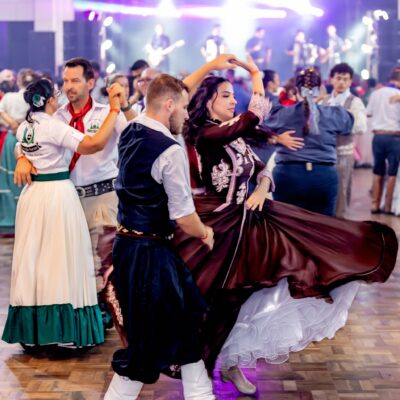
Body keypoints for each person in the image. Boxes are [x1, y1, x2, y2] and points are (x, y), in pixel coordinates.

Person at [173, 60, 397, 394]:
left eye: (233, 95)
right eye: (225, 96)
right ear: (207, 103)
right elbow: (250, 119)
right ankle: (201, 368)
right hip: (217, 225)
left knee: (249, 295)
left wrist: (261, 188)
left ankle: (231, 361)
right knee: (217, 301)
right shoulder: (205, 134)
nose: (233, 101)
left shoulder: (235, 135)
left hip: (248, 221)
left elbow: (262, 167)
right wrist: (255, 77)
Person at [104, 54, 238, 400]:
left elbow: (172, 89)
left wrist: (209, 66)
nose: (188, 115)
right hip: (150, 253)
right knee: (147, 340)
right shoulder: (169, 150)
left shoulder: (132, 127)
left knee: (185, 322)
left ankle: (200, 393)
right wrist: (205, 233)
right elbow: (183, 216)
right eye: (184, 108)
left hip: (129, 248)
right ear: (168, 106)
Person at [1, 78, 123, 348]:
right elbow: (93, 144)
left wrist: (23, 156)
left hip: (33, 196)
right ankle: (63, 330)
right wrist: (114, 110)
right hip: (57, 195)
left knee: (34, 259)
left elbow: (21, 144)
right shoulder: (54, 126)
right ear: (49, 100)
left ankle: (35, 331)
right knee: (61, 258)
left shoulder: (26, 126)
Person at [269, 67, 354, 216]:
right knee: (322, 227)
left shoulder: (281, 114)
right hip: (323, 177)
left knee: (287, 225)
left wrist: (277, 138)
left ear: (296, 90)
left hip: (288, 175)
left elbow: (255, 130)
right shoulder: (335, 114)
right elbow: (349, 123)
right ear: (320, 90)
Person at [321, 63, 367, 218]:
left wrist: (343, 118)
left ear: (350, 82)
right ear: (331, 79)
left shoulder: (355, 102)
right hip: (323, 153)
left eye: (345, 79)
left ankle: (340, 224)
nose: (341, 82)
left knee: (341, 190)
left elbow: (361, 127)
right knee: (324, 190)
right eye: (338, 78)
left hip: (343, 153)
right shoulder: (325, 100)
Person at [0, 68, 38, 231]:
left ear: (18, 81)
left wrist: (12, 124)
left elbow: (0, 110)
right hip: (30, 140)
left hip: (12, 139)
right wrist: (22, 125)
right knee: (28, 178)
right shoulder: (36, 99)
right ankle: (28, 217)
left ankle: (12, 216)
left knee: (11, 179)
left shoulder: (10, 97)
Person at [366, 66, 400, 214]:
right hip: (395, 137)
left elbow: (368, 113)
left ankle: (374, 205)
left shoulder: (376, 93)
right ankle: (388, 206)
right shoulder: (398, 94)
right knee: (392, 172)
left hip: (378, 136)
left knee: (377, 169)